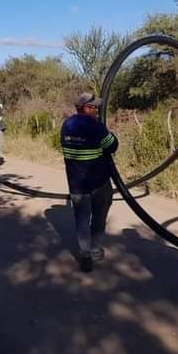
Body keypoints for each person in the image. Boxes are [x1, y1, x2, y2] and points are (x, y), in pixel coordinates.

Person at [60, 92, 119, 273]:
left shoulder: (66, 125)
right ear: (86, 107)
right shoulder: (96, 126)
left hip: (76, 184)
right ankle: (94, 251)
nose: (97, 110)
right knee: (99, 218)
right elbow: (112, 146)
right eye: (94, 107)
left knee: (82, 220)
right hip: (98, 183)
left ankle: (84, 255)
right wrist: (111, 135)